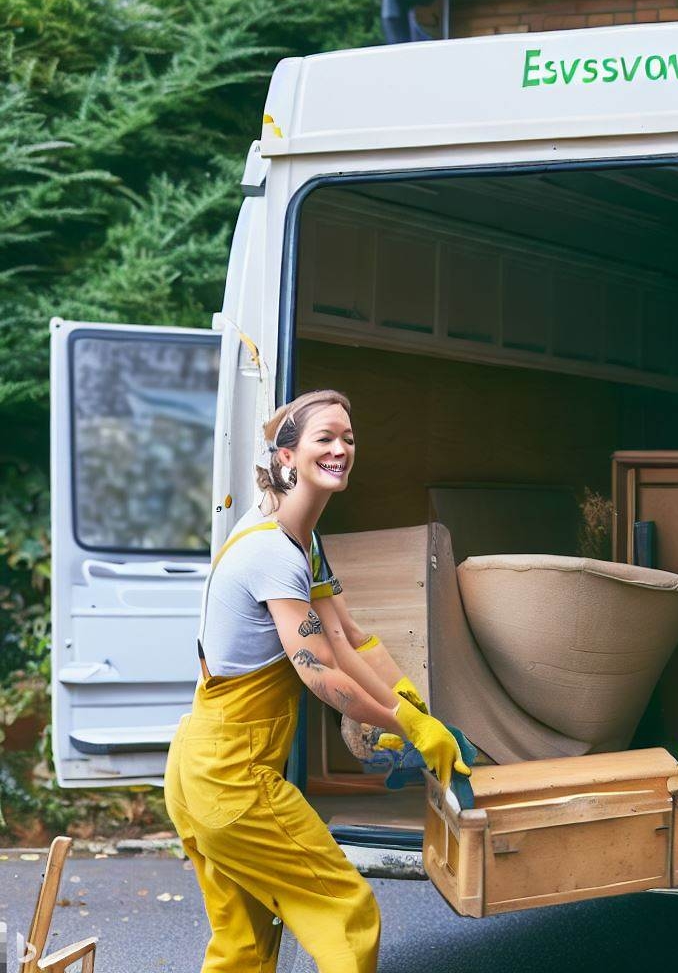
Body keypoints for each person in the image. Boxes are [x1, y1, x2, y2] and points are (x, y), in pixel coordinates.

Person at [164, 389, 469, 973]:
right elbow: (319, 670)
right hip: (232, 777)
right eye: (324, 438)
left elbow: (350, 640)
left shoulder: (301, 541)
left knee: (244, 948)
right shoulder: (274, 554)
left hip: (202, 765)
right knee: (344, 911)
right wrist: (404, 724)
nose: (340, 449)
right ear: (286, 458)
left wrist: (416, 709)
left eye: (348, 439)